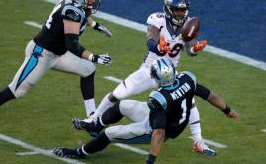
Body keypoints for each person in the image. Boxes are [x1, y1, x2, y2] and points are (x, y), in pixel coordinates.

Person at [73, 0, 213, 155]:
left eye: (182, 11)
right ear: (168, 9)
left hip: (170, 75)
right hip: (150, 70)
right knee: (118, 94)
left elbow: (189, 49)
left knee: (190, 101)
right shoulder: (157, 20)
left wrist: (195, 49)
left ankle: (198, 141)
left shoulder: (188, 25)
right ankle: (94, 121)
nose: (180, 14)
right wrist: (159, 48)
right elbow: (150, 41)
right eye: (176, 10)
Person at [0, 0, 112, 136]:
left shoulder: (74, 4)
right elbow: (72, 44)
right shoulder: (71, 11)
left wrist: (96, 26)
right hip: (41, 54)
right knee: (16, 90)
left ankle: (91, 118)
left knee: (88, 70)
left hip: (58, 54)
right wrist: (94, 57)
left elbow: (83, 16)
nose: (94, 1)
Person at [53, 58, 239, 163]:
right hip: (166, 117)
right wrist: (227, 110)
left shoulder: (159, 98)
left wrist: (150, 160)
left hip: (159, 129)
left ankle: (78, 153)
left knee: (110, 134)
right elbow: (210, 95)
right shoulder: (187, 78)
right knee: (122, 105)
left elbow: (158, 132)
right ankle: (95, 126)